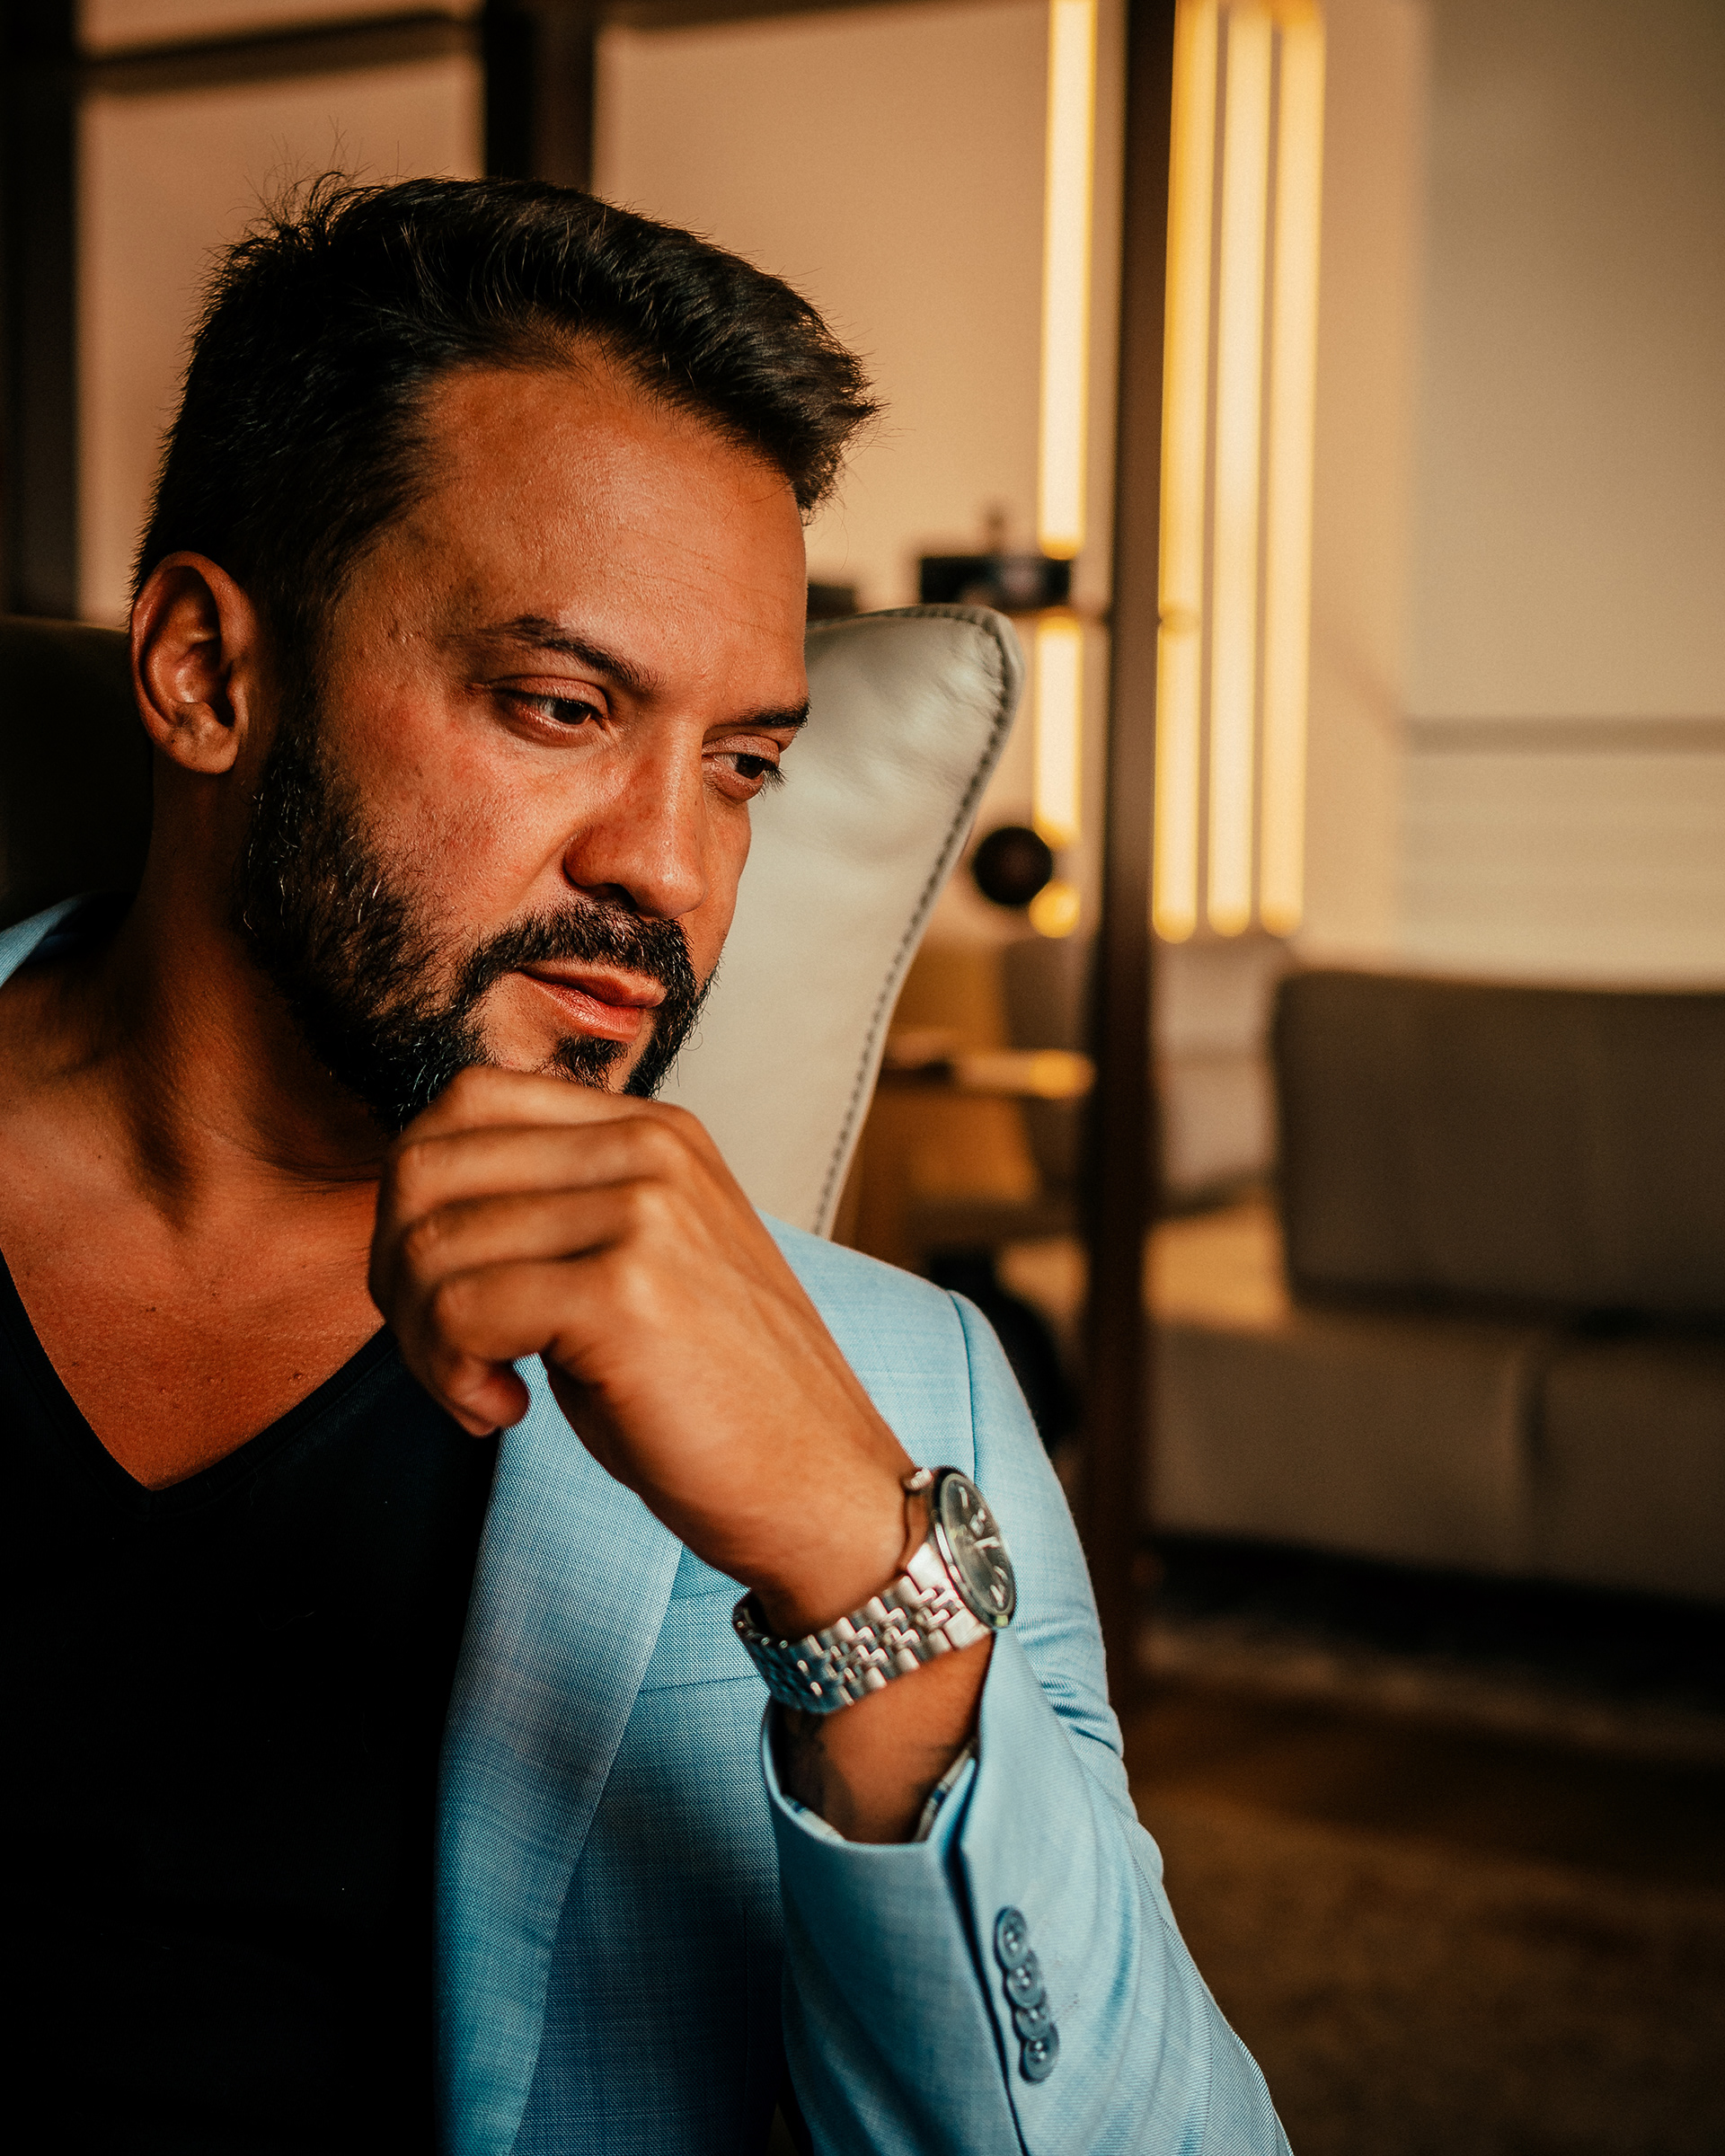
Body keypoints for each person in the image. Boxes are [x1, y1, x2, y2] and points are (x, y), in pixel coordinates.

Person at [2, 178, 1287, 2155]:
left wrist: (862, 1579)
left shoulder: (905, 1402)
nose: (671, 869)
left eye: (743, 764)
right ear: (203, 671)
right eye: (562, 708)